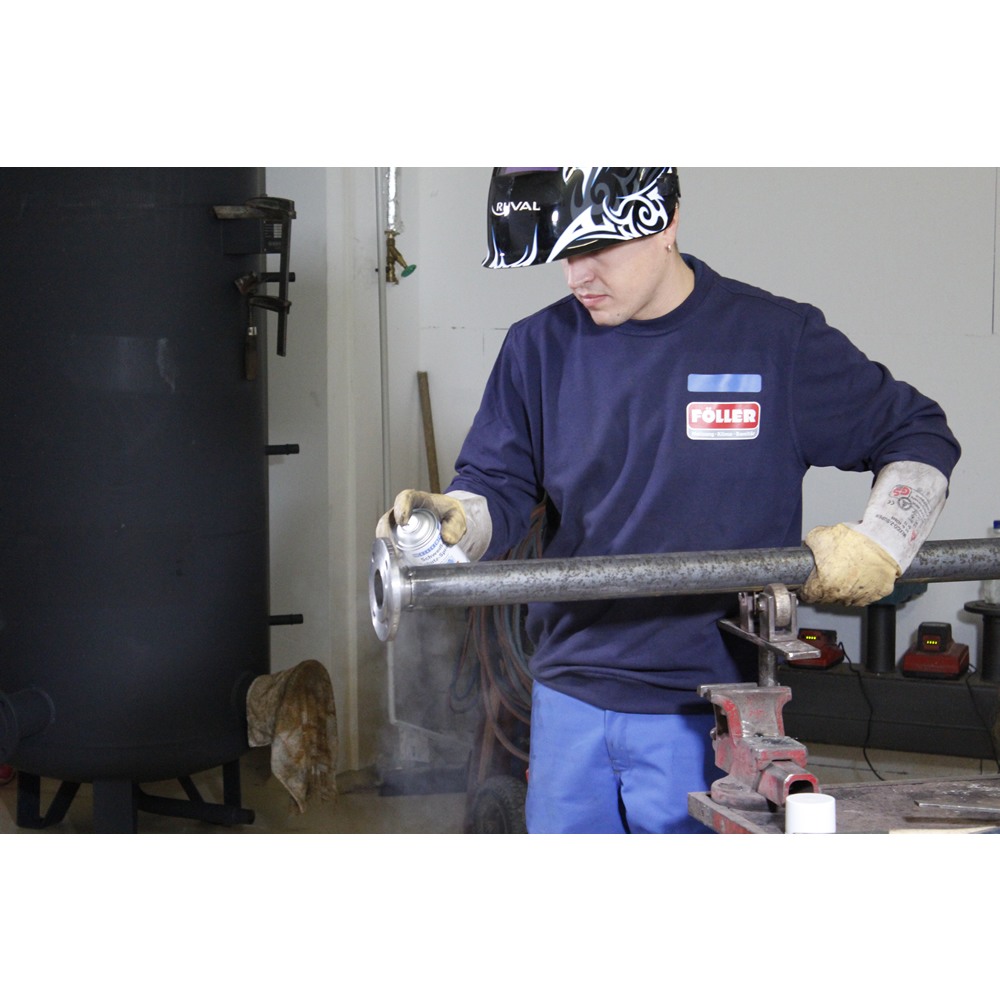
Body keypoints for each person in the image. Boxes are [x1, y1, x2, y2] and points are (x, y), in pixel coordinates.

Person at [376, 168, 961, 834]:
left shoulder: (774, 340)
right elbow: (497, 484)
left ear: (667, 222)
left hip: (705, 706)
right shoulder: (537, 347)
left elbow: (918, 432)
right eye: (565, 253)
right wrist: (455, 521)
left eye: (598, 248)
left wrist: (883, 539)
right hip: (568, 694)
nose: (577, 276)